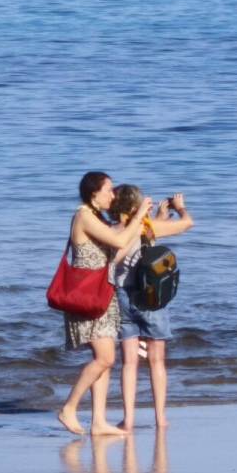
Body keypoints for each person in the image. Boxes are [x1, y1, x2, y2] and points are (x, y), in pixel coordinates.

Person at [57, 171, 151, 437]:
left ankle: (98, 422)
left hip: (103, 294)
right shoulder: (84, 216)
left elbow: (113, 256)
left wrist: (138, 226)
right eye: (109, 190)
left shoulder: (98, 218)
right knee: (105, 358)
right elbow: (119, 240)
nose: (113, 194)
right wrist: (139, 215)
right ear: (93, 193)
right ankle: (69, 408)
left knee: (105, 360)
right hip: (87, 295)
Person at [107, 185, 194, 430]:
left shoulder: (110, 231)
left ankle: (128, 419)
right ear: (136, 207)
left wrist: (160, 216)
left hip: (122, 296)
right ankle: (160, 418)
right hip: (150, 298)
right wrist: (180, 208)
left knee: (129, 362)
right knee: (156, 360)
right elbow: (187, 223)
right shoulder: (147, 228)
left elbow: (132, 245)